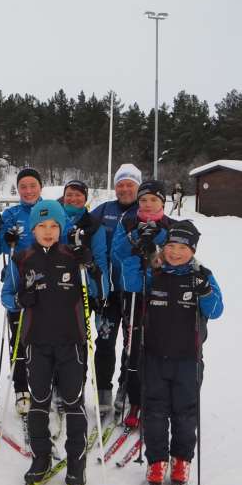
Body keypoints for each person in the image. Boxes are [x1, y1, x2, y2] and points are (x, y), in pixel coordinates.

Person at [1, 200, 98, 485]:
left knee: (73, 402)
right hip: (37, 342)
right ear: (33, 228)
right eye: (42, 226)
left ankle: (76, 462)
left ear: (62, 227)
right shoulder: (22, 258)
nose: (48, 231)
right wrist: (21, 300)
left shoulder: (73, 256)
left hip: (71, 342)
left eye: (54, 226)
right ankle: (40, 458)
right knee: (39, 402)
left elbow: (95, 291)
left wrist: (89, 265)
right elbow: (7, 296)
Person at [134, 220, 223, 485]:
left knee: (185, 412)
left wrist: (205, 291)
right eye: (171, 246)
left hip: (188, 359)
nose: (175, 252)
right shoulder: (154, 272)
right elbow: (130, 280)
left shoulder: (202, 275)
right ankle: (157, 461)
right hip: (154, 356)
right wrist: (144, 253)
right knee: (155, 411)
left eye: (182, 247)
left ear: (193, 250)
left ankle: (181, 459)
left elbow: (216, 310)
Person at [111, 180, 175, 432]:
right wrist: (137, 236)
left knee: (158, 346)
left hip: (162, 293)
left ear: (162, 202)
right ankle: (134, 399)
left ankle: (156, 400)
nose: (148, 204)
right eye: (144, 199)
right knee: (133, 345)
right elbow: (117, 252)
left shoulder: (170, 226)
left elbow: (180, 255)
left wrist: (157, 237)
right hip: (134, 292)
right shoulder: (128, 222)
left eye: (154, 200)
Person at [88, 164, 141, 415]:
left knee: (132, 345)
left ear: (138, 186)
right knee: (105, 343)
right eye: (120, 184)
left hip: (133, 292)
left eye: (130, 184)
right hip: (107, 293)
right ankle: (103, 392)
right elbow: (78, 220)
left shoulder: (144, 211)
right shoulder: (104, 210)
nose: (124, 188)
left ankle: (125, 388)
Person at [0, 167, 44, 415]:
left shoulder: (49, 210)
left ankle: (45, 385)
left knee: (46, 338)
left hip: (48, 279)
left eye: (32, 186)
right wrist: (4, 234)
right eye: (23, 186)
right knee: (19, 337)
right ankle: (21, 387)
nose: (28, 191)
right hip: (18, 278)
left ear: (40, 187)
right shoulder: (12, 213)